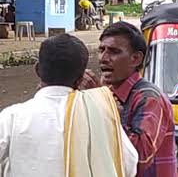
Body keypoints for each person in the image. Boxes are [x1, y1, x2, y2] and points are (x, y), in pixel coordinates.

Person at [0, 34, 138, 177]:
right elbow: (129, 165)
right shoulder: (99, 115)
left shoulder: (11, 118)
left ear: (38, 70)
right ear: (81, 79)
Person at [81, 21, 178, 177]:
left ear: (136, 59)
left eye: (113, 51)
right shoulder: (108, 91)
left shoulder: (150, 99)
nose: (103, 58)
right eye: (101, 50)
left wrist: (100, 103)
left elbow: (139, 158)